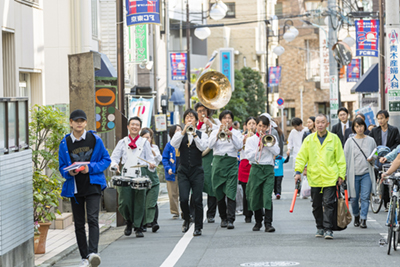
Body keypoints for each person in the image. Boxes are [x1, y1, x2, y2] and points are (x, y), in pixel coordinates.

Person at [59, 109, 111, 267]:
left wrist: (91, 168)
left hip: (93, 185)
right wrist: (70, 171)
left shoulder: (95, 140)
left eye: (82, 120)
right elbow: (62, 167)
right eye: (76, 121)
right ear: (71, 123)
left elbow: (106, 160)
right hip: (75, 188)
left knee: (93, 219)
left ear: (86, 123)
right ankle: (84, 257)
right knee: (79, 223)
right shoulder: (65, 142)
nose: (79, 123)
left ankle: (93, 253)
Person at [295, 114, 346, 239]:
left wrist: (341, 175)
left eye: (323, 122)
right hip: (315, 178)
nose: (320, 125)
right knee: (316, 205)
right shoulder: (309, 139)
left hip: (330, 177)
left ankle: (328, 229)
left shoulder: (334, 139)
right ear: (314, 124)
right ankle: (320, 227)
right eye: (318, 122)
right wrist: (298, 171)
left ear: (327, 124)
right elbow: (302, 156)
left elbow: (340, 158)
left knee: (328, 203)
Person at [110, 116, 156, 238]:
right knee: (124, 202)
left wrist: (151, 165)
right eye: (132, 124)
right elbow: (114, 157)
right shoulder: (123, 142)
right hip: (125, 174)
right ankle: (128, 221)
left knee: (139, 201)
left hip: (140, 173)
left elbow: (150, 160)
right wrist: (115, 165)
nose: (134, 126)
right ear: (128, 126)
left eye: (137, 125)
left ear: (140, 128)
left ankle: (138, 227)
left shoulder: (144, 142)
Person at [171, 109, 208, 236]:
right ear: (184, 121)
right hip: (183, 170)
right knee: (184, 199)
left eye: (192, 118)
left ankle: (198, 227)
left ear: (196, 121)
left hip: (197, 170)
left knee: (197, 200)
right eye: (187, 118)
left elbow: (203, 147)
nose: (189, 120)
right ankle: (186, 219)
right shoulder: (179, 134)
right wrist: (183, 131)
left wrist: (195, 135)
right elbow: (173, 144)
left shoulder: (202, 134)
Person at [209, 110, 243, 229]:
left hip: (231, 163)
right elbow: (210, 145)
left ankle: (230, 219)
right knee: (218, 191)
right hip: (218, 163)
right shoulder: (214, 131)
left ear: (232, 120)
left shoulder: (237, 133)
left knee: (231, 191)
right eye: (224, 118)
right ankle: (223, 217)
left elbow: (239, 146)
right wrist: (219, 133)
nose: (227, 120)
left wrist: (231, 135)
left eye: (229, 118)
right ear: (220, 120)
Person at [246, 116, 280, 232]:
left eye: (264, 126)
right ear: (256, 126)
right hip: (256, 168)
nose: (261, 128)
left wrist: (267, 144)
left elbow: (277, 151)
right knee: (256, 195)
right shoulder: (251, 140)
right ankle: (258, 221)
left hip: (268, 169)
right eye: (259, 126)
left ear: (268, 127)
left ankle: (268, 223)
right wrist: (259, 148)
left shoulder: (272, 138)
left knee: (267, 196)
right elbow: (248, 156)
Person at [343, 118, 377, 228]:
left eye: (361, 126)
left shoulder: (371, 140)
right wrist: (344, 174)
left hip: (366, 173)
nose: (359, 128)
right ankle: (356, 216)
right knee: (354, 198)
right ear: (353, 128)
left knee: (365, 197)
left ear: (364, 126)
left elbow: (375, 152)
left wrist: (372, 158)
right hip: (353, 174)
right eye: (357, 126)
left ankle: (363, 219)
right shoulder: (350, 141)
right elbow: (345, 158)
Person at [194, 102, 220, 223]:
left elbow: (220, 131)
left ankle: (211, 213)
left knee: (211, 185)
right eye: (199, 111)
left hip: (210, 157)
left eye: (204, 110)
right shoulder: (194, 125)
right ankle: (193, 213)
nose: (202, 113)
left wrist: (210, 124)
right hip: (196, 158)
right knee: (196, 186)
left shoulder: (215, 123)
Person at [369, 110, 400, 211]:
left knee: (388, 179)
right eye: (378, 119)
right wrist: (376, 155)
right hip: (378, 157)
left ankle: (387, 202)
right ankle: (375, 192)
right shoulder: (374, 131)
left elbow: (397, 144)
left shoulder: (394, 130)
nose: (380, 120)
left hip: (390, 157)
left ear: (387, 118)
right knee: (378, 174)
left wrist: (389, 153)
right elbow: (372, 145)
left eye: (382, 118)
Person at [140, 127, 161, 233]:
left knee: (152, 201)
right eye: (143, 138)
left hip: (152, 177)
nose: (146, 140)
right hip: (142, 176)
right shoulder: (138, 149)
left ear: (151, 138)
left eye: (148, 138)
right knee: (142, 200)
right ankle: (143, 223)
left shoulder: (155, 147)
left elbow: (159, 159)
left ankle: (154, 222)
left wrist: (151, 150)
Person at [238, 116, 257, 223]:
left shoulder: (258, 136)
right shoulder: (242, 136)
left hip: (254, 164)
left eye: (253, 123)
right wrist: (244, 141)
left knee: (255, 190)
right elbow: (238, 149)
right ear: (245, 126)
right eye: (249, 123)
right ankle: (247, 214)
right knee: (246, 191)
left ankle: (257, 210)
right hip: (244, 164)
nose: (251, 125)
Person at [162, 125, 182, 219]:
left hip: (183, 171)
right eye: (177, 130)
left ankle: (184, 211)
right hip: (171, 172)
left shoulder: (185, 143)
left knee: (183, 193)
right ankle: (175, 212)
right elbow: (165, 158)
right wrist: (168, 168)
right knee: (172, 194)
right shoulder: (169, 145)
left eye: (180, 129)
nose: (179, 131)